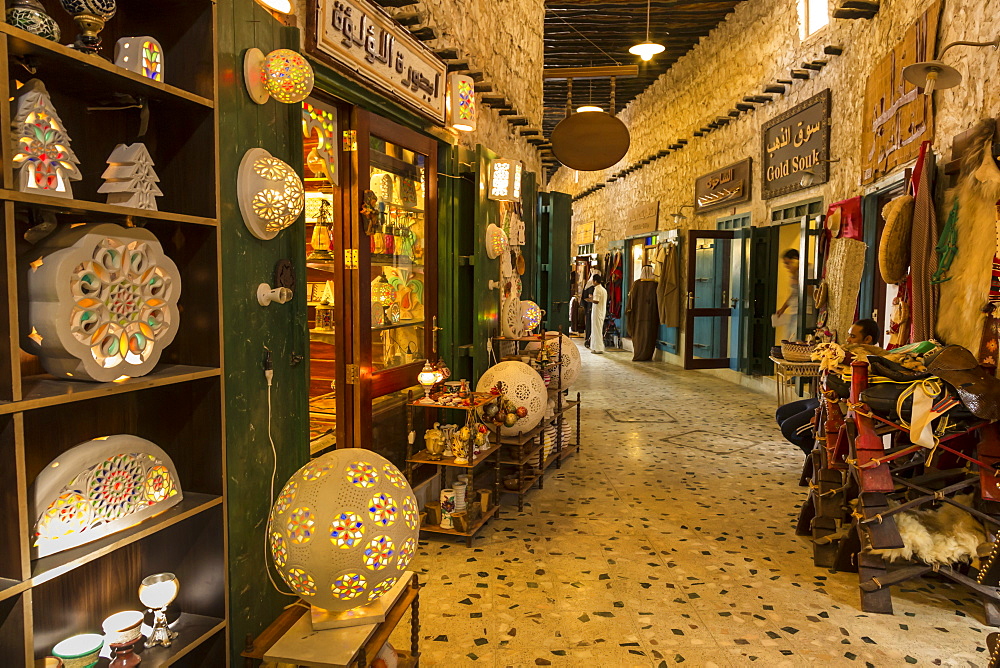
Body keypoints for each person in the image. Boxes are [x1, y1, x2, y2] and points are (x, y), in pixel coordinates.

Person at [775, 319, 879, 454]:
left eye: (853, 336)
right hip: (824, 400)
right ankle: (815, 453)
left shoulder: (867, 359)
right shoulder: (846, 353)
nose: (847, 339)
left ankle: (817, 454)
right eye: (849, 335)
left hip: (840, 407)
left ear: (867, 339)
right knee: (781, 413)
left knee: (789, 428)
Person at [775, 249, 799, 340]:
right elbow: (794, 293)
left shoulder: (808, 270)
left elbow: (809, 291)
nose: (787, 267)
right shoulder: (795, 274)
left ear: (795, 260)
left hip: (804, 311)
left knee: (793, 339)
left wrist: (797, 279)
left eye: (788, 263)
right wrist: (783, 308)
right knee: (787, 339)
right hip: (794, 310)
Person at [587, 274, 608, 354]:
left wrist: (590, 300)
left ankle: (598, 348)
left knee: (596, 330)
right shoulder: (603, 290)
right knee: (597, 329)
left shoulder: (597, 289)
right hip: (601, 311)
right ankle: (595, 347)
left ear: (595, 281)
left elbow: (596, 301)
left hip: (597, 312)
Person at [582, 270, 600, 348]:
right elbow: (584, 298)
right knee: (589, 325)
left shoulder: (599, 288)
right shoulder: (589, 287)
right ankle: (588, 340)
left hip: (596, 309)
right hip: (590, 309)